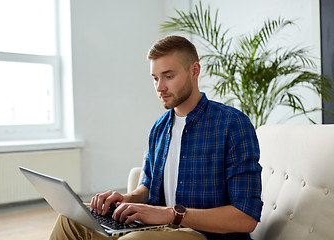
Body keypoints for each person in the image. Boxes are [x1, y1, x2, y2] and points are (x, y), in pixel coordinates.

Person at [50, 35, 262, 240]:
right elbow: (149, 186)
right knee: (70, 219)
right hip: (156, 230)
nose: (160, 87)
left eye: (168, 76)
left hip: (206, 236)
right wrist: (126, 200)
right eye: (155, 78)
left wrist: (172, 214)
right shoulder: (160, 127)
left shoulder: (232, 124)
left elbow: (246, 218)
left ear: (194, 71)